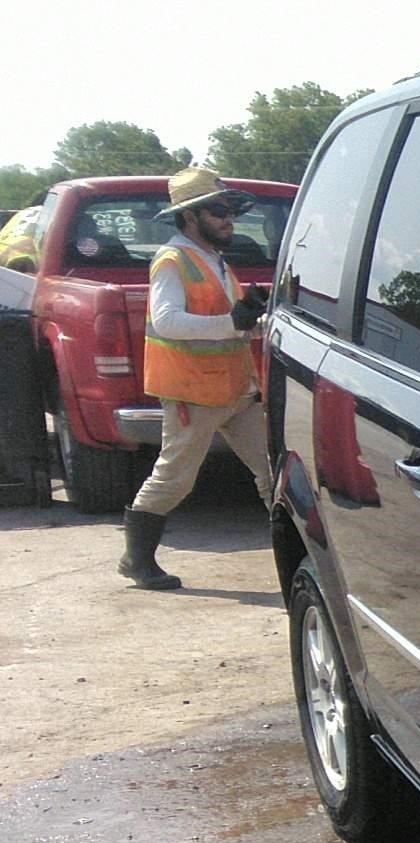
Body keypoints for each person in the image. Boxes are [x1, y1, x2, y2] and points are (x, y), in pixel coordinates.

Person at [120, 168, 271, 590]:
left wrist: (252, 320)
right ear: (190, 216)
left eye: (230, 210)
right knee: (175, 476)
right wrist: (233, 321)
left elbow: (230, 326)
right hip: (193, 391)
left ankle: (295, 548)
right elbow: (168, 322)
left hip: (235, 389)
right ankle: (137, 560)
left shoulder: (213, 259)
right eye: (219, 211)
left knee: (272, 470)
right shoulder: (172, 260)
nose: (229, 219)